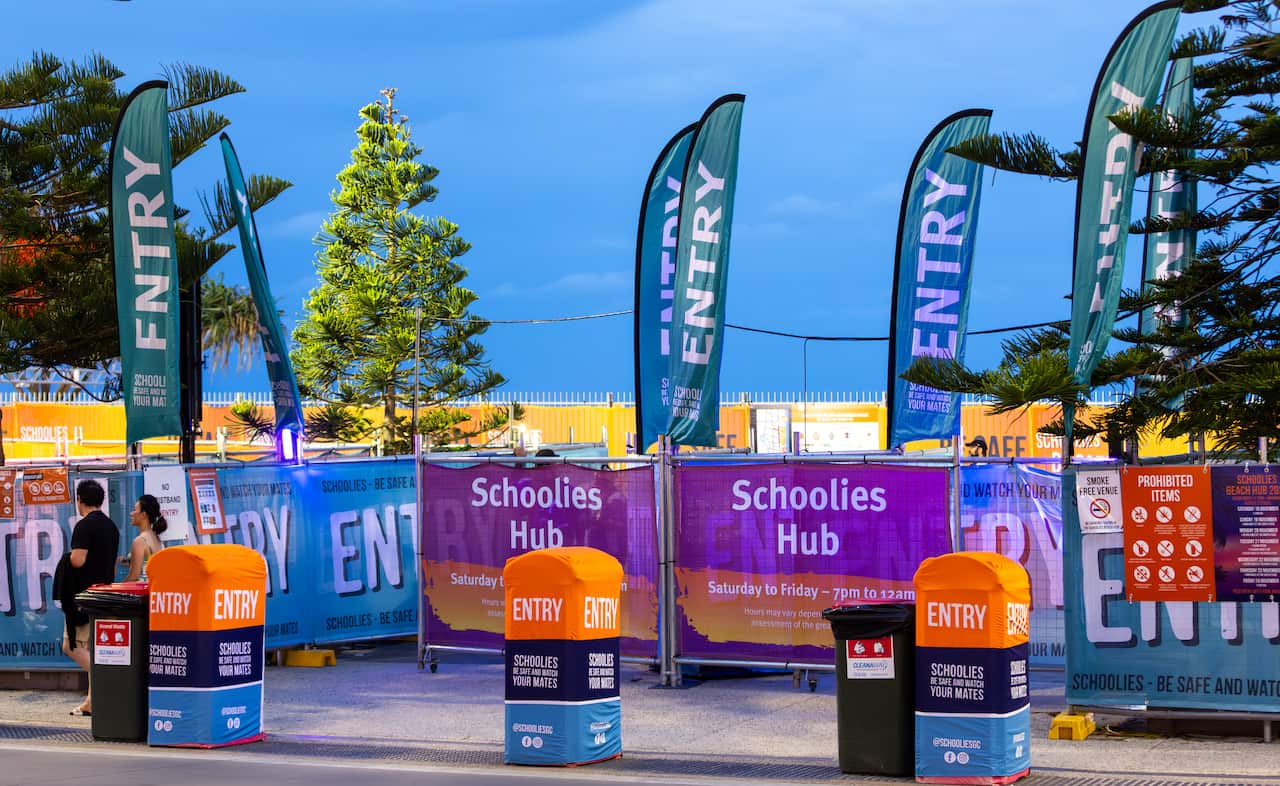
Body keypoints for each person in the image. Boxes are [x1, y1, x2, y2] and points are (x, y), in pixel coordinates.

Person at [60, 479, 120, 717]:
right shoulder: (111, 526)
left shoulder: (84, 526)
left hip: (84, 596)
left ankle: (106, 678)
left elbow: (77, 560)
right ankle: (91, 702)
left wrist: (65, 560)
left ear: (80, 500)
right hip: (103, 593)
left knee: (71, 645)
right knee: (92, 647)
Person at [120, 493, 166, 582]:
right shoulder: (156, 537)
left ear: (143, 514)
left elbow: (134, 576)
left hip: (141, 591)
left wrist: (118, 589)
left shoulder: (139, 541)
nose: (131, 513)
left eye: (134, 510)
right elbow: (146, 564)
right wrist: (129, 561)